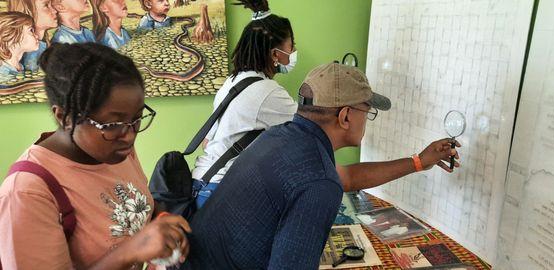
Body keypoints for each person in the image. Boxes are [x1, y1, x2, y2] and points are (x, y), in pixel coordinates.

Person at [183, 62, 462, 269]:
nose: (367, 119)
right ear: (345, 116)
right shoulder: (317, 180)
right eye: (368, 111)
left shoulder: (279, 137)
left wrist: (419, 161)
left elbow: (346, 178)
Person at [0, 43, 191, 269]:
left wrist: (159, 222)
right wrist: (128, 252)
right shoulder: (27, 191)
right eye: (111, 124)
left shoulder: (116, 148)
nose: (129, 136)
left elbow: (128, 207)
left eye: (137, 119)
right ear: (65, 117)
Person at [191, 0, 298, 206]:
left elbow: (207, 141)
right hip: (221, 192)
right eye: (291, 46)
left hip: (201, 183)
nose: (294, 52)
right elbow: (312, 130)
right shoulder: (269, 92)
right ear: (276, 54)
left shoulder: (233, 81)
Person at [8, 0, 58, 71]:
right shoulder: (30, 53)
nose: (55, 10)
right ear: (28, 11)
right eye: (46, 5)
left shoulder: (43, 44)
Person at [0, 12, 39, 77]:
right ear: (11, 36)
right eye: (31, 30)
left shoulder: (20, 67)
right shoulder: (3, 74)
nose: (37, 36)